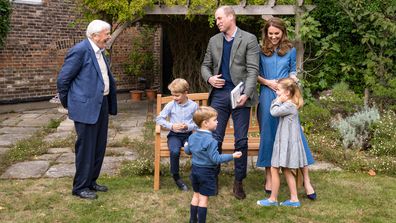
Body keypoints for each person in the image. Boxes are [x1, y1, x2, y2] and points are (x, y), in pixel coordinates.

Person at [201, 5, 260, 200]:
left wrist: (247, 93)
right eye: (216, 19)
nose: (216, 22)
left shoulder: (249, 39)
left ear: (230, 17)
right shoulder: (214, 40)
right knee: (214, 139)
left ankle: (238, 181)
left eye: (219, 18)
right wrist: (209, 78)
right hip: (219, 96)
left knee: (241, 140)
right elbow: (205, 66)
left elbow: (252, 70)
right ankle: (213, 178)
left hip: (240, 97)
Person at [256, 17, 316, 200]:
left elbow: (292, 70)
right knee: (268, 135)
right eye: (270, 33)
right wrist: (268, 82)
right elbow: (255, 73)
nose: (273, 37)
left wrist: (292, 80)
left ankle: (306, 180)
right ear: (266, 33)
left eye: (277, 33)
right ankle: (269, 176)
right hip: (267, 95)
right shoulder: (260, 51)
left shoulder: (290, 50)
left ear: (283, 33)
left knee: (295, 134)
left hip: (286, 96)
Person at [57, 20, 117, 200]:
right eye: (106, 34)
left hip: (101, 104)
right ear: (95, 35)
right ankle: (80, 187)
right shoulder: (80, 50)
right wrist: (70, 103)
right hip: (85, 107)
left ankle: (91, 181)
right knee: (86, 148)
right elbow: (63, 80)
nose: (108, 37)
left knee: (99, 146)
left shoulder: (100, 51)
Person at [184, 106, 242, 223]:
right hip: (206, 173)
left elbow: (188, 151)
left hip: (195, 170)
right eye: (215, 120)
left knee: (196, 195)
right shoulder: (212, 141)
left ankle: (192, 220)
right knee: (204, 199)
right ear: (205, 123)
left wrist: (186, 145)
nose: (218, 122)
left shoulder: (192, 136)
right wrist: (232, 156)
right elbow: (216, 159)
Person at [257, 78, 308, 207]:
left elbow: (273, 112)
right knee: (286, 170)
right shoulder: (290, 105)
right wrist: (279, 99)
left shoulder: (289, 106)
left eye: (279, 90)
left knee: (274, 168)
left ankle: (273, 199)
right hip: (284, 142)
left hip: (285, 144)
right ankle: (294, 199)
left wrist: (277, 101)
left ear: (287, 93)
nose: (277, 93)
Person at [156, 78, 198, 191]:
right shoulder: (171, 105)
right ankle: (176, 176)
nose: (174, 98)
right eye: (173, 95)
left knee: (196, 149)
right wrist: (171, 126)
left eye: (177, 95)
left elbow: (198, 123)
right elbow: (159, 119)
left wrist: (188, 126)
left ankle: (194, 175)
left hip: (189, 135)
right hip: (174, 135)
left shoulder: (193, 106)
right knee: (174, 151)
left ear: (185, 93)